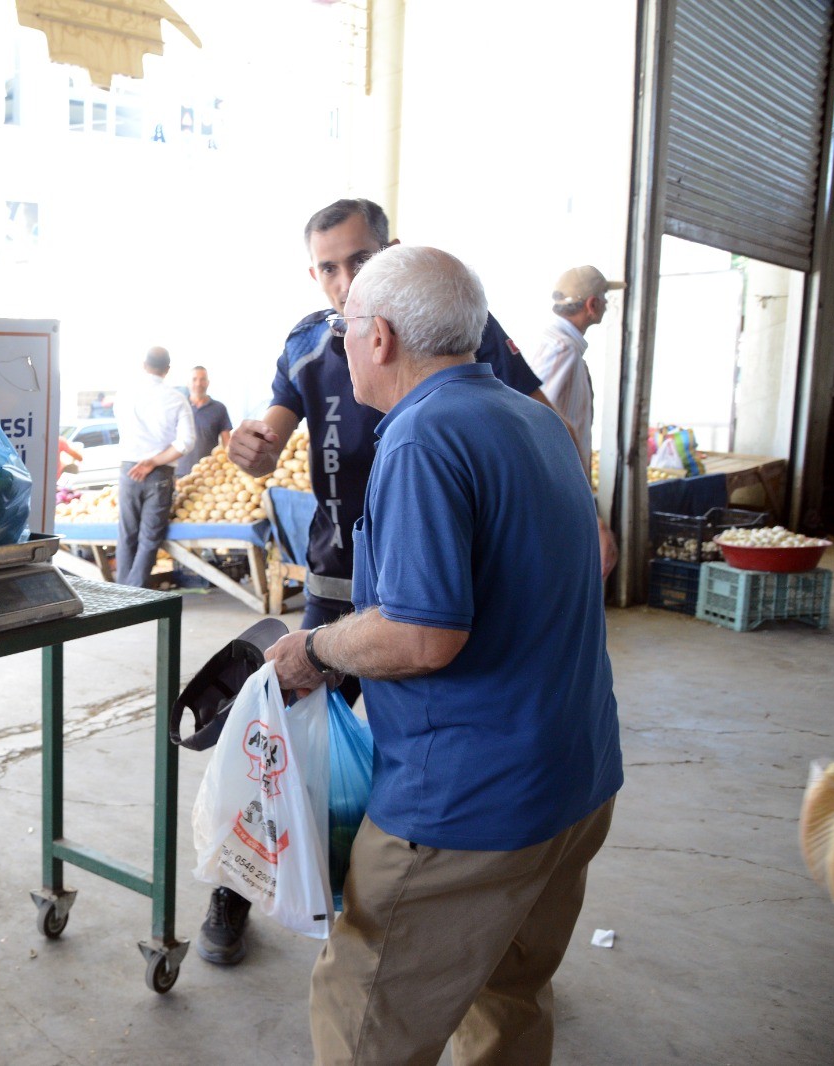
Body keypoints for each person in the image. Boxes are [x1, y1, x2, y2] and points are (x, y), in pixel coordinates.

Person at [268, 244, 621, 1065]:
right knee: (505, 999)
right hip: (574, 783)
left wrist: (314, 649)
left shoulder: (423, 437)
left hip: (470, 807)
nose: (341, 342)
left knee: (364, 1012)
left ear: (379, 336)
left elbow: (425, 633)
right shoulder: (534, 420)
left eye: (344, 326)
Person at [204, 197, 551, 966]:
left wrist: (573, 517)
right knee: (280, 737)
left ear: (391, 251)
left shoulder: (458, 328)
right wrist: (252, 449)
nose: (343, 280)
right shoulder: (308, 341)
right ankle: (237, 886)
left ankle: (396, 894)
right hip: (339, 576)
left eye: (359, 261)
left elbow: (538, 418)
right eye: (328, 266)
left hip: (435, 578)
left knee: (413, 737)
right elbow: (269, 435)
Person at [530, 264, 624, 480]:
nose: (607, 304)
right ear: (592, 304)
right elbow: (537, 419)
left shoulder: (559, 344)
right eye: (604, 297)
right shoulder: (563, 349)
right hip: (560, 481)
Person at [113, 345, 194, 587]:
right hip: (160, 472)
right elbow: (187, 442)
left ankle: (121, 593)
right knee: (149, 538)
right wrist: (154, 461)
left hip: (128, 469)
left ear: (144, 365)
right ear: (167, 370)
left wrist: (142, 459)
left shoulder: (125, 394)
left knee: (126, 534)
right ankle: (134, 593)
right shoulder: (177, 399)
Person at [174, 364, 234, 476]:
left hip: (207, 473)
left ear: (208, 382)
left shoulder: (219, 408)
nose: (198, 383)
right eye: (194, 379)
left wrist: (231, 467)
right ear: (188, 383)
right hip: (178, 472)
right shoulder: (179, 406)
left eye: (202, 379)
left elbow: (227, 443)